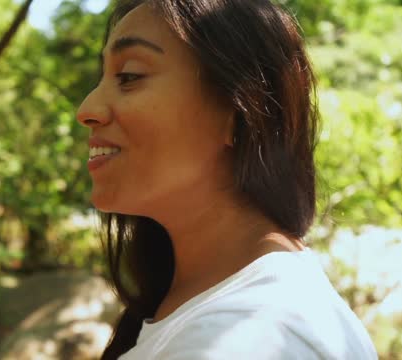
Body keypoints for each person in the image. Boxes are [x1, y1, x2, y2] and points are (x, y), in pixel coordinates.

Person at [75, 0, 378, 359]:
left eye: (129, 77)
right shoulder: (207, 305)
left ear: (240, 110)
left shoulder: (251, 333)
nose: (87, 110)